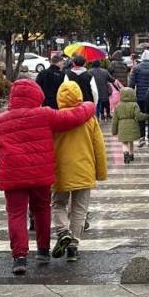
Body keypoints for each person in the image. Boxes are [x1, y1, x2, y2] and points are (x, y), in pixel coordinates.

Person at [0, 79, 95, 275]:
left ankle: (19, 257)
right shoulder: (45, 114)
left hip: (13, 176)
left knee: (16, 214)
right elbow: (74, 117)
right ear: (37, 96)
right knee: (41, 210)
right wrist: (89, 104)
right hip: (41, 175)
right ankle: (42, 251)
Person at [50, 81, 107, 262]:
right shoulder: (90, 119)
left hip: (60, 170)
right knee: (79, 210)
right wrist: (101, 172)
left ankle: (62, 231)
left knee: (58, 204)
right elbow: (99, 147)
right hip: (84, 169)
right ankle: (73, 247)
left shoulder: (54, 119)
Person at [130, 51, 149, 147]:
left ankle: (141, 138)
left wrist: (131, 95)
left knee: (140, 117)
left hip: (140, 97)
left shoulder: (136, 68)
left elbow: (132, 84)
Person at [112, 87, 147, 163]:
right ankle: (131, 155)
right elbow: (138, 116)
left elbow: (114, 120)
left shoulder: (118, 106)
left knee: (124, 142)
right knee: (131, 141)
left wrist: (114, 131)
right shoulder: (134, 105)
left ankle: (125, 153)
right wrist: (146, 116)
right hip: (132, 125)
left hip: (122, 127)